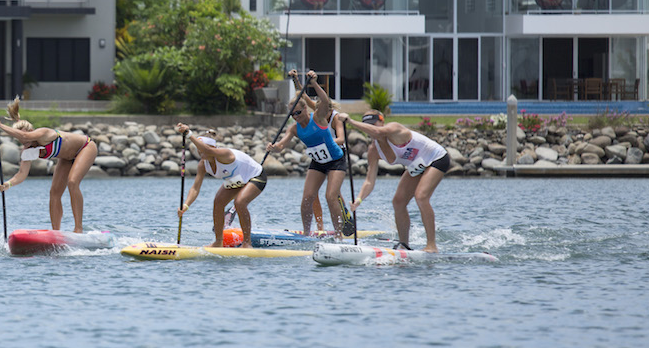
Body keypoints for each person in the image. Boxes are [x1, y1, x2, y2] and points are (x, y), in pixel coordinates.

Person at [338, 110, 450, 252]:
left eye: (374, 124)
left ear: (382, 122)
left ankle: (432, 245)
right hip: (417, 166)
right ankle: (404, 244)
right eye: (368, 125)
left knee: (421, 196)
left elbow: (379, 133)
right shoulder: (374, 150)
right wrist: (358, 200)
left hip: (437, 158)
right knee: (398, 202)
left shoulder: (394, 128)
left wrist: (351, 122)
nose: (372, 128)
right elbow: (369, 180)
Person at [0, 96, 98, 233]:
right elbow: (21, 174)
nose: (20, 140)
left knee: (72, 182)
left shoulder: (43, 133)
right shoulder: (28, 151)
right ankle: (56, 233)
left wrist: (0, 125)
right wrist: (8, 184)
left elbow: (25, 137)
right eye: (16, 138)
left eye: (20, 136)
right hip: (66, 158)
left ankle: (78, 228)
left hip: (85, 147)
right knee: (54, 192)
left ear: (30, 132)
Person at [266, 69, 347, 235]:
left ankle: (340, 235)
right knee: (307, 198)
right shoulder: (294, 128)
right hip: (318, 162)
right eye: (292, 114)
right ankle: (307, 233)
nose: (295, 116)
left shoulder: (318, 116)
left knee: (331, 196)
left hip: (336, 159)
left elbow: (324, 100)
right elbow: (282, 144)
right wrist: (275, 148)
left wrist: (314, 83)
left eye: (298, 112)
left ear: (305, 110)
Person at [175, 124, 267, 248]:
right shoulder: (203, 165)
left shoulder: (224, 153)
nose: (201, 151)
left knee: (239, 203)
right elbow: (195, 188)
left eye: (203, 148)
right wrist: (186, 205)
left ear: (213, 147)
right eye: (198, 149)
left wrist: (189, 134)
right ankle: (218, 242)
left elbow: (208, 151)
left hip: (256, 175)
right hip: (237, 179)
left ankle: (247, 243)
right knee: (218, 202)